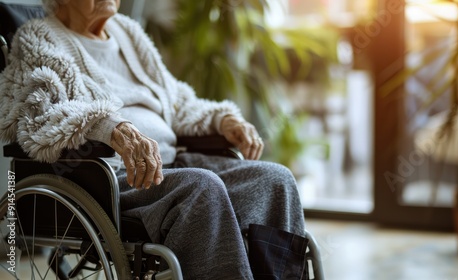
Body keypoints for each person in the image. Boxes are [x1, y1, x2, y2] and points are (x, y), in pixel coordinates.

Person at [0, 0, 308, 279]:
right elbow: (41, 113)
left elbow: (175, 99)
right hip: (112, 175)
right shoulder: (38, 37)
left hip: (170, 164)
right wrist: (110, 127)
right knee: (202, 187)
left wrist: (221, 118)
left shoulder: (127, 33)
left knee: (274, 180)